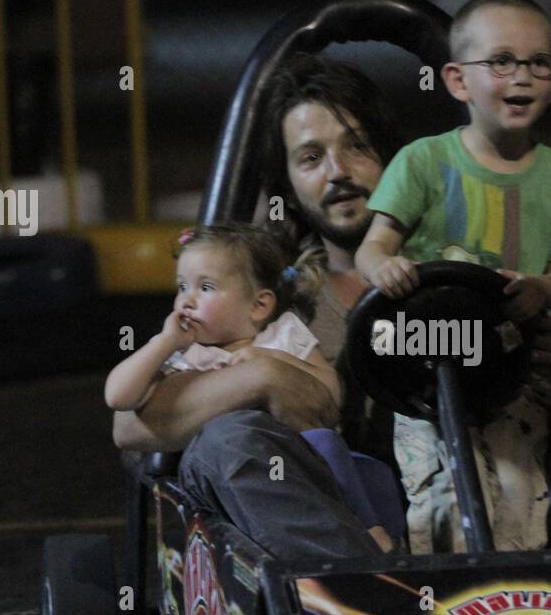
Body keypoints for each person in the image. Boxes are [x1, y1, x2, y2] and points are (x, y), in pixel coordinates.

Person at [112, 52, 551, 560]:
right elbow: (130, 424)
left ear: (399, 160)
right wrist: (263, 376)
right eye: (311, 158)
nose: (338, 172)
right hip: (360, 521)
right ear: (288, 184)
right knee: (228, 441)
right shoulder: (273, 305)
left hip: (512, 499)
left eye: (357, 147)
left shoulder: (472, 272)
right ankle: (355, 581)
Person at [356, 0, 551, 553]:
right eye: (501, 62)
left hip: (512, 370)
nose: (521, 77)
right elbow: (374, 248)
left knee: (520, 495)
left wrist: (542, 288)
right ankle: (437, 611)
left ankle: (514, 608)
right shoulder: (423, 162)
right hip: (427, 369)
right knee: (442, 497)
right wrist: (387, 268)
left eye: (537, 63)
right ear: (457, 81)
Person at [105, 222, 393, 553]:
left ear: (259, 305)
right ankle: (353, 556)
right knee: (238, 445)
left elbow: (329, 391)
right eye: (182, 286)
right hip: (230, 477)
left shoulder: (280, 335)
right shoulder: (187, 353)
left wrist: (267, 360)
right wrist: (165, 341)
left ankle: (368, 529)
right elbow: (119, 397)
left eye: (206, 287)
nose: (187, 300)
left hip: (305, 457)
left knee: (349, 457)